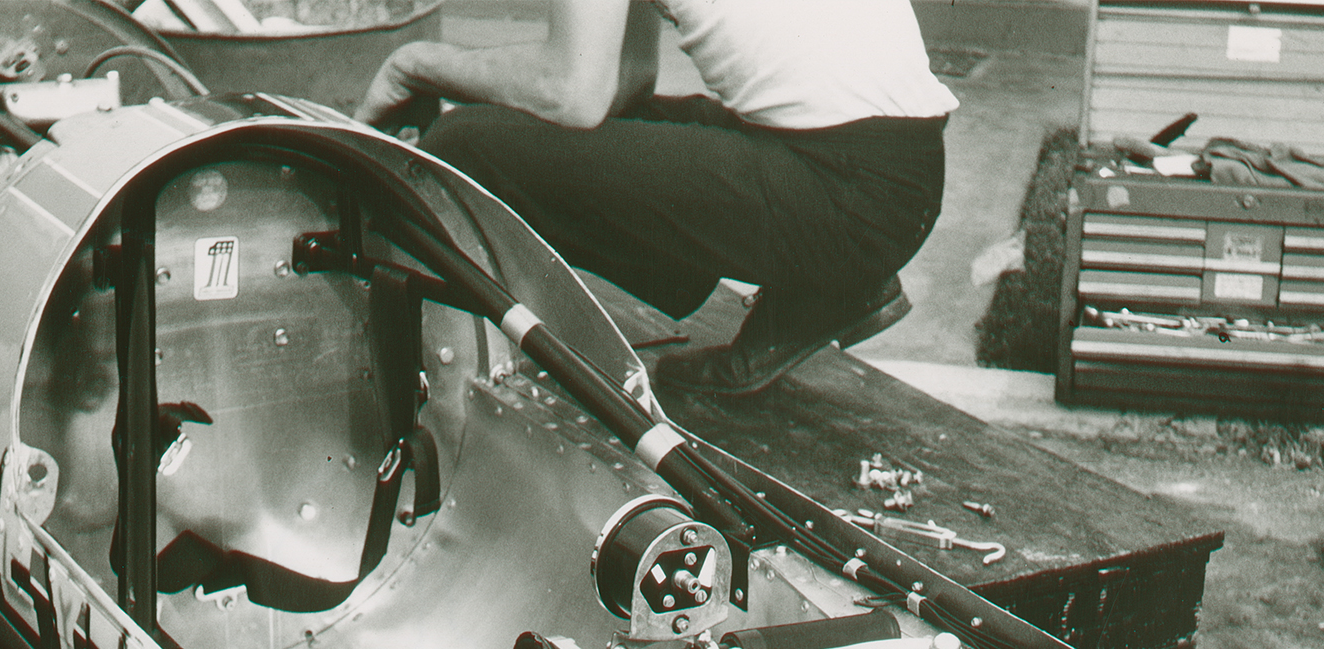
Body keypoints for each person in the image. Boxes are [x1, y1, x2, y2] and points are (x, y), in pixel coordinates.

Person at [356, 0, 956, 397]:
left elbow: (571, 94)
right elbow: (629, 77)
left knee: (467, 142)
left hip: (840, 194)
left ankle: (829, 279)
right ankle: (831, 285)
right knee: (550, 124)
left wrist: (415, 66)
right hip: (899, 174)